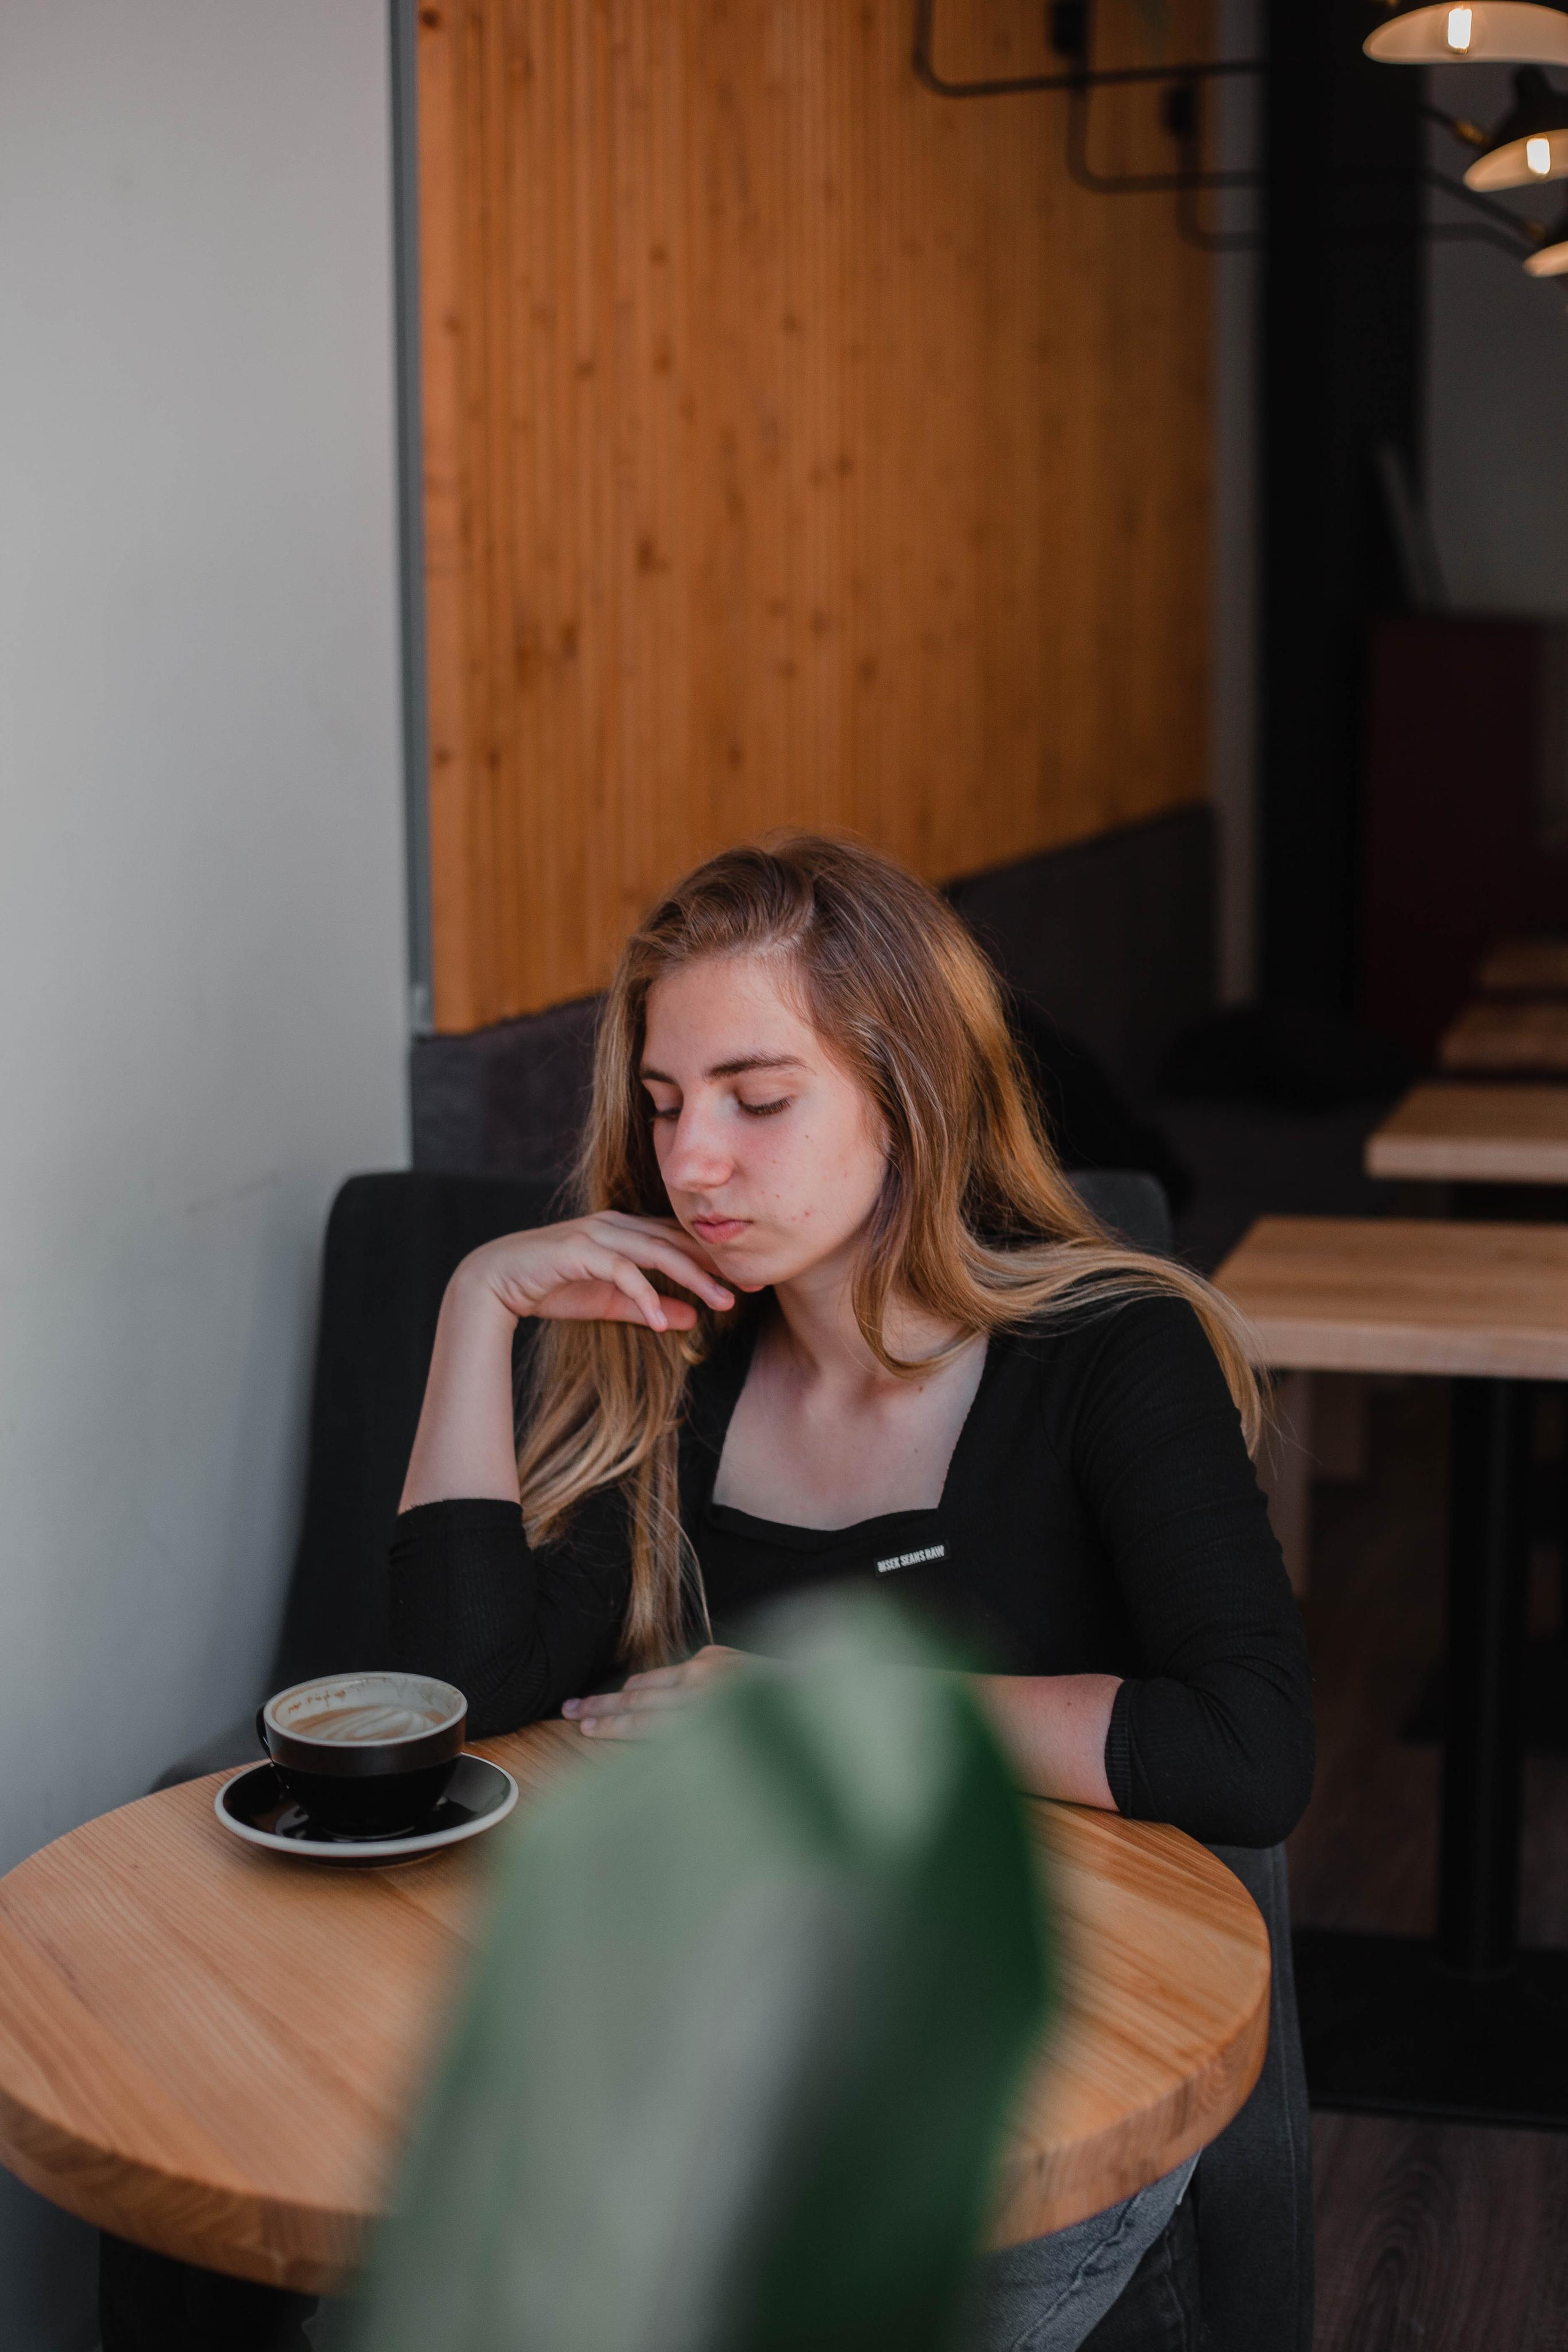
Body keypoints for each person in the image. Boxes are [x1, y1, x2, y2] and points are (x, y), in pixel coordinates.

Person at [392, 834, 1313, 2352]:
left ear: (911, 1093)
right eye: (666, 1104)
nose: (692, 1162)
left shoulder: (1107, 1352)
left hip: (1039, 2065)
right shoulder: (678, 1361)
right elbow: (460, 1688)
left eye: (759, 1100)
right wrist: (474, 1306)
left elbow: (1246, 1747)